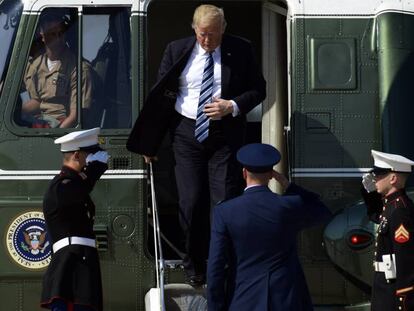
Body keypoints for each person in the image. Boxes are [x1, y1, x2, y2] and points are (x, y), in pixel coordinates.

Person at [127, 4, 266, 285]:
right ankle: (193, 263)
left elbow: (259, 89)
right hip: (186, 133)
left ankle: (222, 264)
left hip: (224, 136)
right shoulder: (176, 50)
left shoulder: (241, 49)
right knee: (190, 202)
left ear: (224, 28)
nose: (207, 41)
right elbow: (160, 97)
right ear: (194, 28)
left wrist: (233, 105)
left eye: (214, 34)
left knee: (224, 202)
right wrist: (150, 144)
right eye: (203, 34)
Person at [207, 143, 332, 311]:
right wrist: (288, 185)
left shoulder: (225, 211)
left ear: (244, 173)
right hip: (285, 299)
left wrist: (216, 307)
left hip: (243, 299)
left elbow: (216, 266)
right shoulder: (289, 206)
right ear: (271, 174)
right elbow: (322, 211)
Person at [40, 127, 109, 311]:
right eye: (90, 155)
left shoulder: (74, 182)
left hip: (82, 261)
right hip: (70, 265)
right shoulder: (62, 185)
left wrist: (91, 171)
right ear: (77, 156)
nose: (93, 161)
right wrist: (94, 171)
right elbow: (77, 190)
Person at [361, 150, 414, 311]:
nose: (375, 177)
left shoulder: (400, 211)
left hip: (392, 293)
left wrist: (403, 300)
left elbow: (406, 261)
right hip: (383, 287)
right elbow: (376, 215)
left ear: (393, 178)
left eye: (379, 174)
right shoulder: (391, 206)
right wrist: (368, 192)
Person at [23, 11, 93, 128]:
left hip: (60, 126)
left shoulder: (79, 69)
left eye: (61, 33)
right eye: (52, 33)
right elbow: (35, 100)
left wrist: (55, 137)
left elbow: (76, 116)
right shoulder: (33, 65)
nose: (57, 38)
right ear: (42, 34)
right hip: (37, 124)